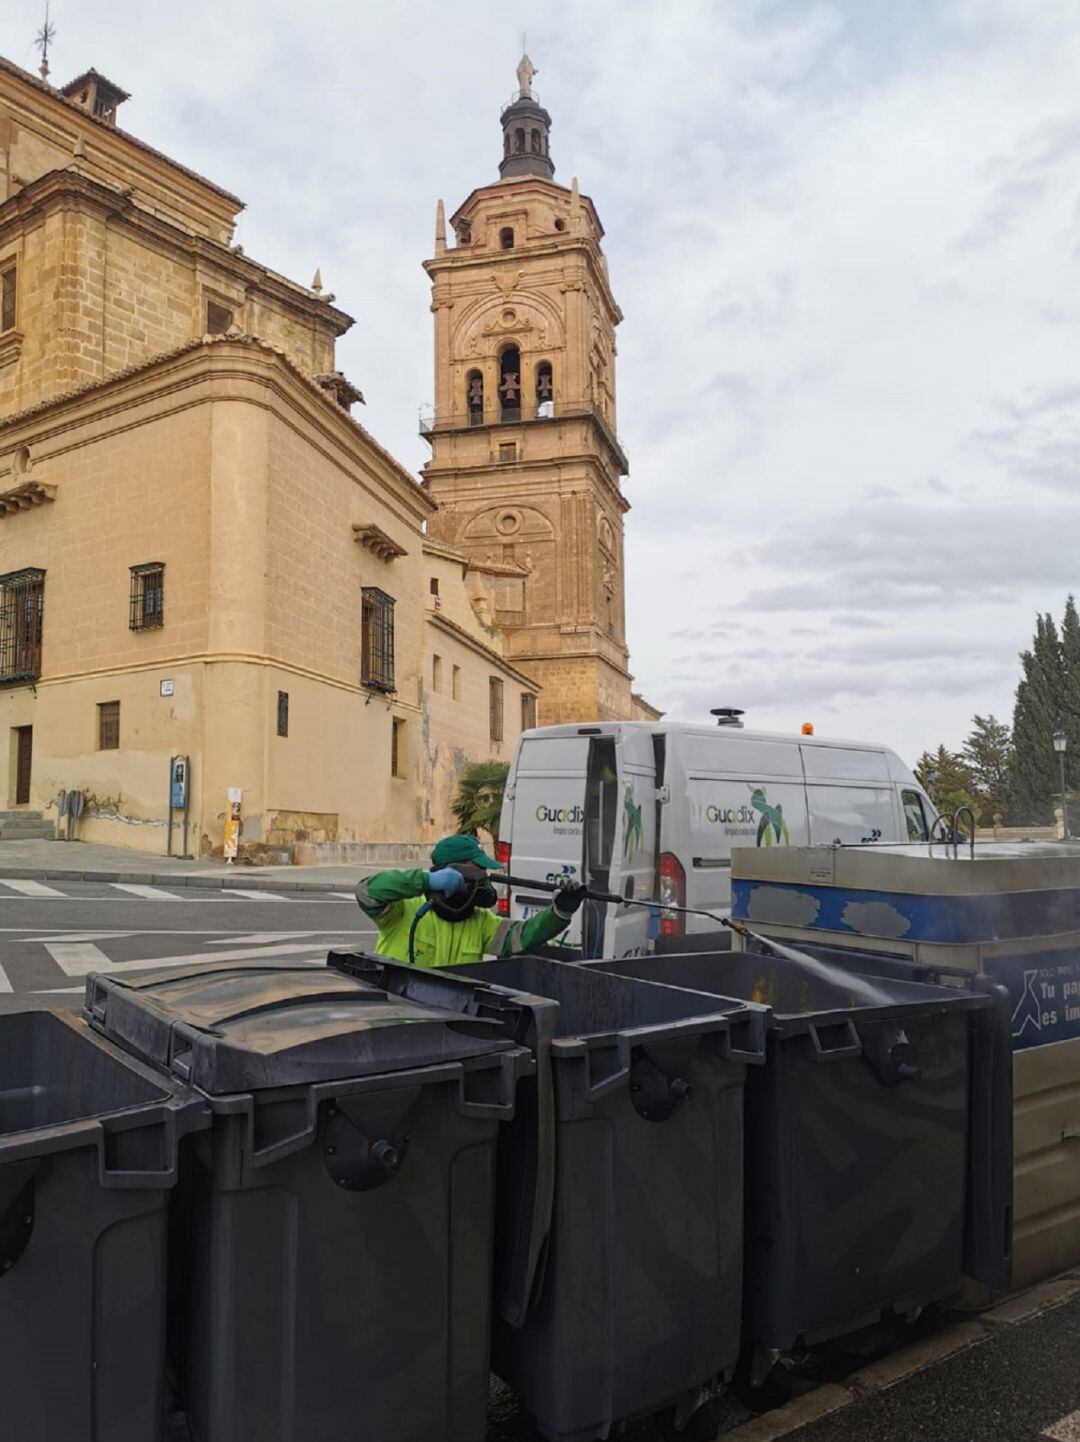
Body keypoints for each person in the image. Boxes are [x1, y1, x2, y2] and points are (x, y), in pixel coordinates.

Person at [355, 833, 586, 968]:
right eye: (478, 869)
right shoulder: (403, 910)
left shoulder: (481, 921)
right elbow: (368, 892)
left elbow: (521, 936)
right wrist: (425, 881)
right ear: (451, 870)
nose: (483, 878)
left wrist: (559, 912)